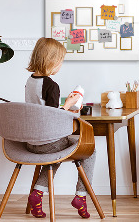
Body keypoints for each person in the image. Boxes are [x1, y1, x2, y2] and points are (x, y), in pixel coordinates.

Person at [25, 37, 95, 219]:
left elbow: (42, 110)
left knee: (55, 154)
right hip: (48, 142)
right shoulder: (51, 85)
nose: (61, 65)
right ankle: (81, 196)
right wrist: (69, 105)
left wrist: (64, 105)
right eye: (61, 61)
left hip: (31, 142)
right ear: (52, 61)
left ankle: (37, 194)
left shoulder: (30, 81)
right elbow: (52, 117)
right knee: (90, 150)